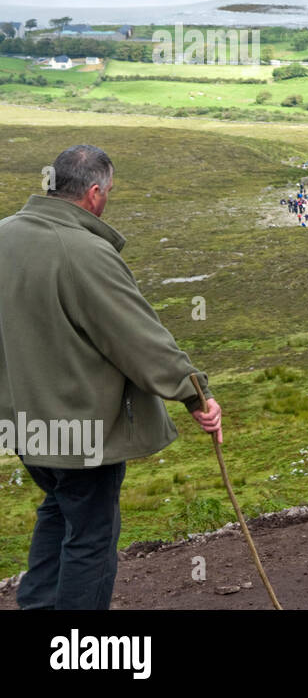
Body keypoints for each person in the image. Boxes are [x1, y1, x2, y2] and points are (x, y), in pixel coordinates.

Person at [0, 145, 222, 609]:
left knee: (59, 510)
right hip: (80, 428)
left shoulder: (4, 236)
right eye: (111, 192)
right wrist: (195, 392)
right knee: (92, 536)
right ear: (95, 193)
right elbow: (138, 338)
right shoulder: (84, 251)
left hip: (21, 424)